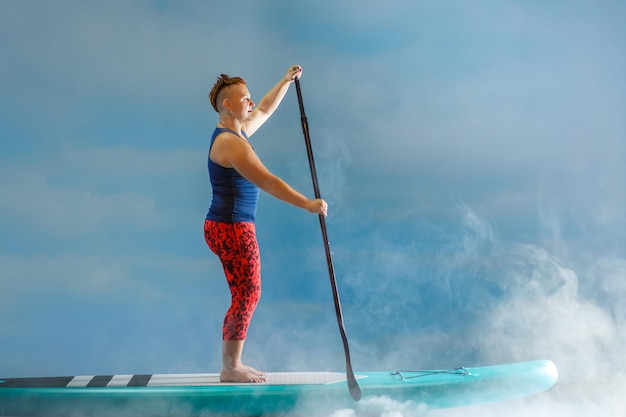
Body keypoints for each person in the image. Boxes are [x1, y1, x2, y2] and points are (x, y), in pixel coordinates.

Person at [204, 65, 328, 383]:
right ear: (228, 104)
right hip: (232, 228)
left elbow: (265, 109)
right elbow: (269, 182)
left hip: (230, 225)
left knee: (247, 293)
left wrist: (286, 80)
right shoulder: (231, 143)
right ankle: (230, 367)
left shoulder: (239, 131)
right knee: (247, 294)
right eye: (245, 98)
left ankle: (233, 364)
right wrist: (307, 204)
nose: (250, 101)